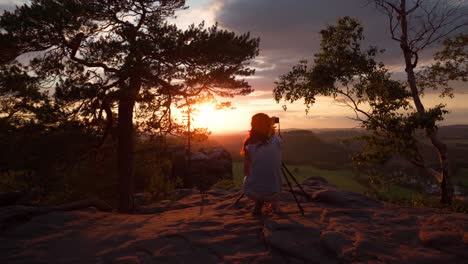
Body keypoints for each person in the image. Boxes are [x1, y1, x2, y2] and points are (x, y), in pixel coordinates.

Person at [241, 113, 282, 216]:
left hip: (253, 192)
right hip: (274, 192)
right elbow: (275, 138)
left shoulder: (249, 145)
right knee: (274, 175)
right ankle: (274, 204)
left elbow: (246, 170)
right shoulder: (276, 140)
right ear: (268, 125)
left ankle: (258, 205)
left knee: (252, 176)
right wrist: (271, 126)